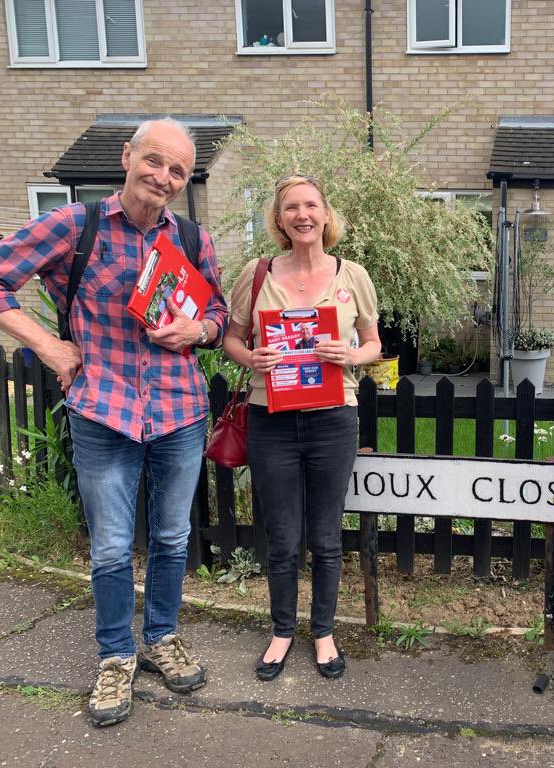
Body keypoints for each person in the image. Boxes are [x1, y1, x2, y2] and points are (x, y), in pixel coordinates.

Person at [0, 118, 228, 727]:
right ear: (127, 157)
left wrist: (201, 329)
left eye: (178, 171)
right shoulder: (73, 227)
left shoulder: (192, 238)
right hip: (103, 411)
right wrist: (50, 348)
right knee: (112, 547)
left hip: (179, 411)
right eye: (155, 162)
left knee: (171, 539)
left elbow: (216, 308)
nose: (163, 178)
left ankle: (160, 637)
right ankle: (116, 655)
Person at [223, 175, 381, 682]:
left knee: (326, 534)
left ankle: (325, 631)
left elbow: (375, 343)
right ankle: (282, 631)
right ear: (279, 218)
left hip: (334, 418)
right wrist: (253, 357)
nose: (302, 214)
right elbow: (231, 338)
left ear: (326, 213)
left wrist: (351, 353)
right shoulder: (257, 272)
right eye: (291, 207)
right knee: (283, 534)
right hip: (271, 417)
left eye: (311, 204)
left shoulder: (352, 274)